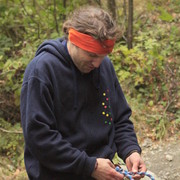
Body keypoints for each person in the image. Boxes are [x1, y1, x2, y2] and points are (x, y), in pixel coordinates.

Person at [20, 6, 146, 180]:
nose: (97, 64)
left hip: (101, 172)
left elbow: (120, 118)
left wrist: (130, 150)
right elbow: (39, 138)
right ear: (74, 40)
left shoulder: (103, 66)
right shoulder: (42, 71)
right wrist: (90, 166)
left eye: (103, 55)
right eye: (92, 55)